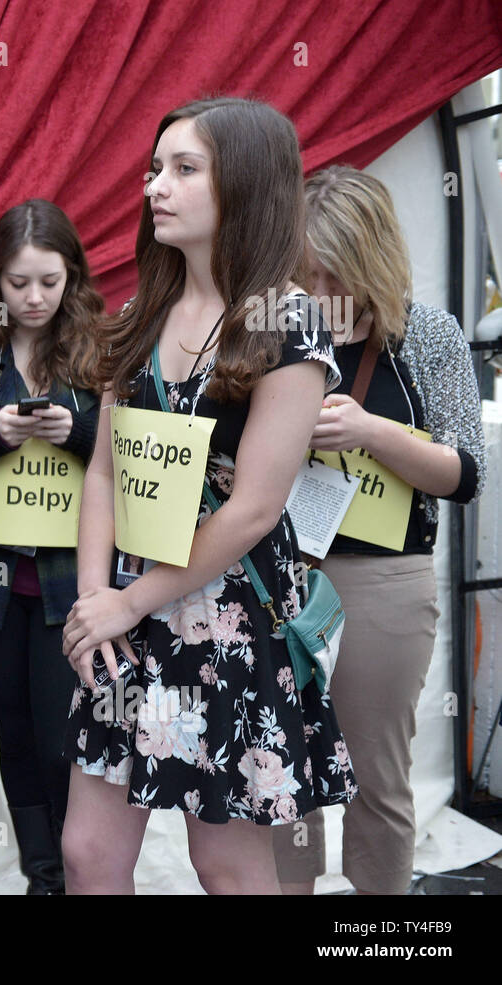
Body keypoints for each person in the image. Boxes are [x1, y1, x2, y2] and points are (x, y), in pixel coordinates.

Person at [59, 97, 358, 894]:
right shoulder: (140, 311)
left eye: (185, 169)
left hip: (225, 619)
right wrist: (96, 599)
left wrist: (128, 601)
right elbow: (103, 470)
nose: (157, 185)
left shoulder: (290, 322)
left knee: (223, 862)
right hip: (126, 612)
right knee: (88, 853)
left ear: (246, 188)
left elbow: (256, 507)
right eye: (156, 168)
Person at [271, 167, 487, 895]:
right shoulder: (279, 331)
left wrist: (370, 432)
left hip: (385, 582)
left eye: (332, 271)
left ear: (370, 260)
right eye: (307, 271)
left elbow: (464, 473)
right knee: (285, 779)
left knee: (376, 781)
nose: (319, 287)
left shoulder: (427, 334)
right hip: (285, 576)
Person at [0, 199, 102, 893]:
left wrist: (81, 434)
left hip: (73, 589)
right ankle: (43, 876)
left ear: (73, 279)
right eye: (17, 283)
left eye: (49, 282)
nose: (33, 298)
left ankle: (75, 870)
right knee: (19, 739)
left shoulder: (102, 353)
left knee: (66, 743)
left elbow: (146, 469)